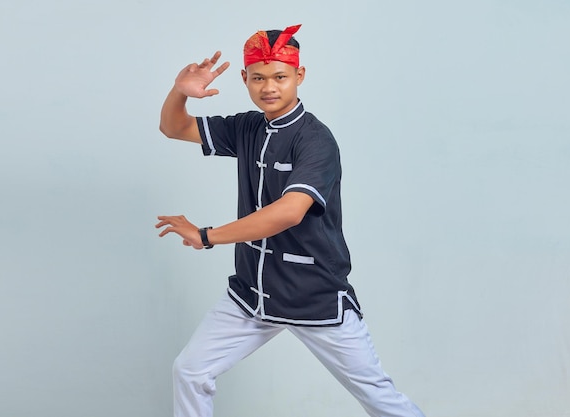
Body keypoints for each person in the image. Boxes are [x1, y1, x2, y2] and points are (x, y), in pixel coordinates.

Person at [156, 24, 426, 417]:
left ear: (299, 76)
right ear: (244, 79)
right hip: (252, 294)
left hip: (312, 295)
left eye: (280, 77)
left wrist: (207, 235)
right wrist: (180, 92)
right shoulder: (248, 126)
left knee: (380, 398)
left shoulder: (315, 140)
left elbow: (288, 212)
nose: (269, 87)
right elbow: (173, 127)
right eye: (259, 78)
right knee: (190, 370)